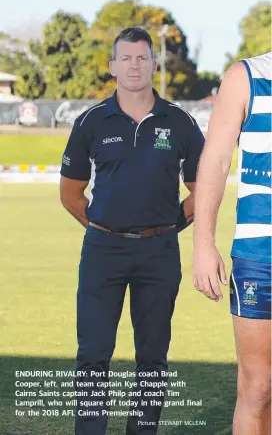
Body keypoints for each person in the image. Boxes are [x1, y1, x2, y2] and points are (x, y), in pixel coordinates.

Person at [60, 26, 204, 435]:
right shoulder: (90, 121)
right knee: (93, 356)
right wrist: (106, 228)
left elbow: (202, 190)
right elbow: (71, 194)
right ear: (112, 67)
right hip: (102, 253)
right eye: (126, 58)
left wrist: (170, 226)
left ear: (154, 64)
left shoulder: (180, 122)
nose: (135, 65)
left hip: (159, 254)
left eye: (142, 57)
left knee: (153, 359)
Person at [193, 52, 271, 435]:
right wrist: (203, 244)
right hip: (260, 258)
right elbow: (217, 160)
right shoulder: (247, 76)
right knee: (258, 389)